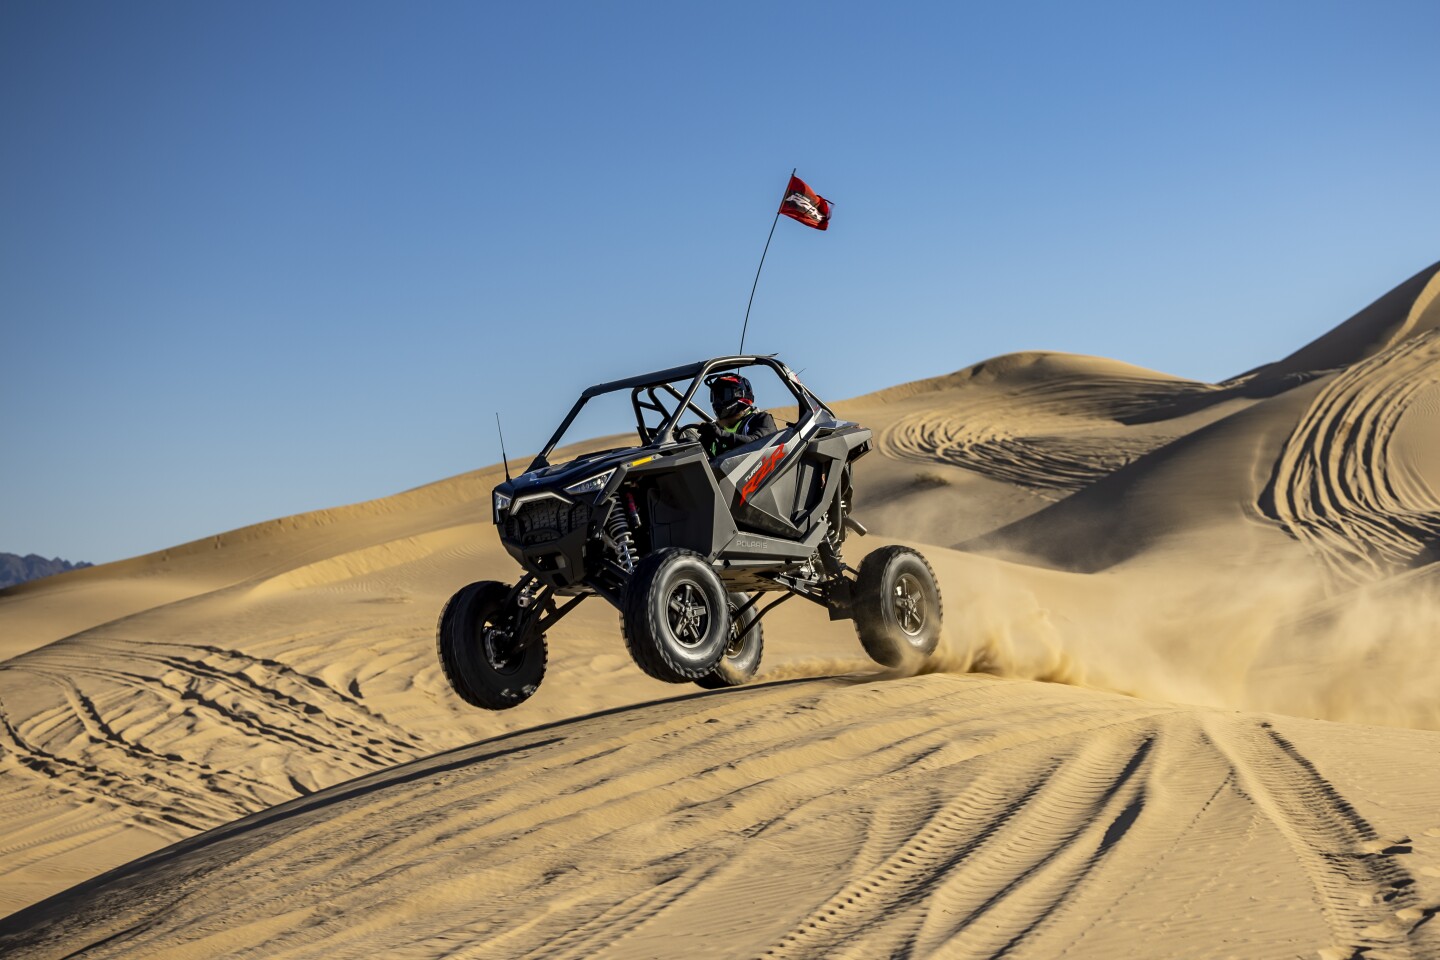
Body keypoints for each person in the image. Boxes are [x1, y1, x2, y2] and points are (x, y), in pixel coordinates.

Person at [683, 373, 779, 458]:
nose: (717, 401)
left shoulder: (761, 419)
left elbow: (758, 443)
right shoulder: (715, 430)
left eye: (723, 395)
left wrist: (720, 434)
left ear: (741, 395)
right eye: (715, 397)